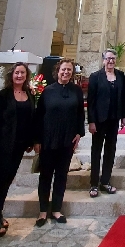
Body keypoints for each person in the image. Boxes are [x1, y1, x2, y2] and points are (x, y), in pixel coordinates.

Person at [0, 62, 35, 237]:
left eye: (22, 73)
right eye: (16, 73)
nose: (19, 75)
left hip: (19, 145)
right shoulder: (3, 96)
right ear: (11, 75)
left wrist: (31, 141)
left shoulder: (29, 94)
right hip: (2, 145)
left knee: (6, 181)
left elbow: (30, 119)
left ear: (26, 75)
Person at [33, 58, 85, 226]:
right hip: (48, 140)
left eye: (69, 70)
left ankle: (56, 209)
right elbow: (39, 116)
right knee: (46, 175)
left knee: (61, 176)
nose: (66, 72)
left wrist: (79, 133)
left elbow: (79, 113)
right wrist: (37, 139)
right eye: (64, 69)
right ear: (58, 71)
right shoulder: (48, 91)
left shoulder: (76, 90)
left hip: (67, 140)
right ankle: (42, 211)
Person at [87, 49, 125, 197]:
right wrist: (91, 121)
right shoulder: (95, 77)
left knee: (110, 151)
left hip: (113, 119)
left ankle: (105, 181)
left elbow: (122, 97)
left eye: (113, 59)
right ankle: (93, 184)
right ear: (103, 60)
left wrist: (123, 116)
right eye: (108, 59)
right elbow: (90, 101)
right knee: (96, 151)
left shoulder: (120, 75)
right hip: (99, 119)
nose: (111, 61)